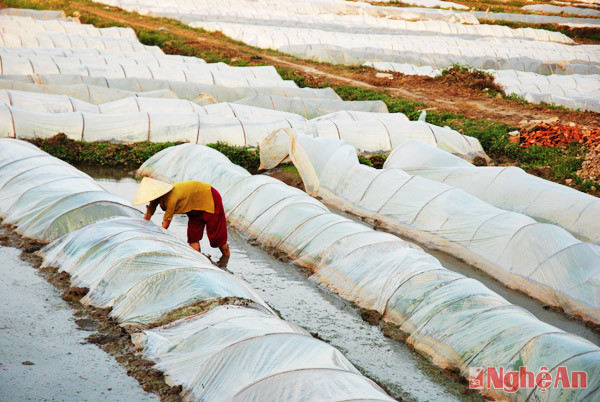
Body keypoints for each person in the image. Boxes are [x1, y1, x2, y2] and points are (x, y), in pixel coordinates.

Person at [132, 177, 230, 266]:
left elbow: (165, 226)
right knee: (193, 237)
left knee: (218, 237)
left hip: (209, 198)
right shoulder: (156, 197)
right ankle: (198, 264)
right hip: (193, 208)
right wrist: (141, 230)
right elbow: (148, 214)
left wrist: (154, 241)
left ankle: (225, 261)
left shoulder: (171, 198)